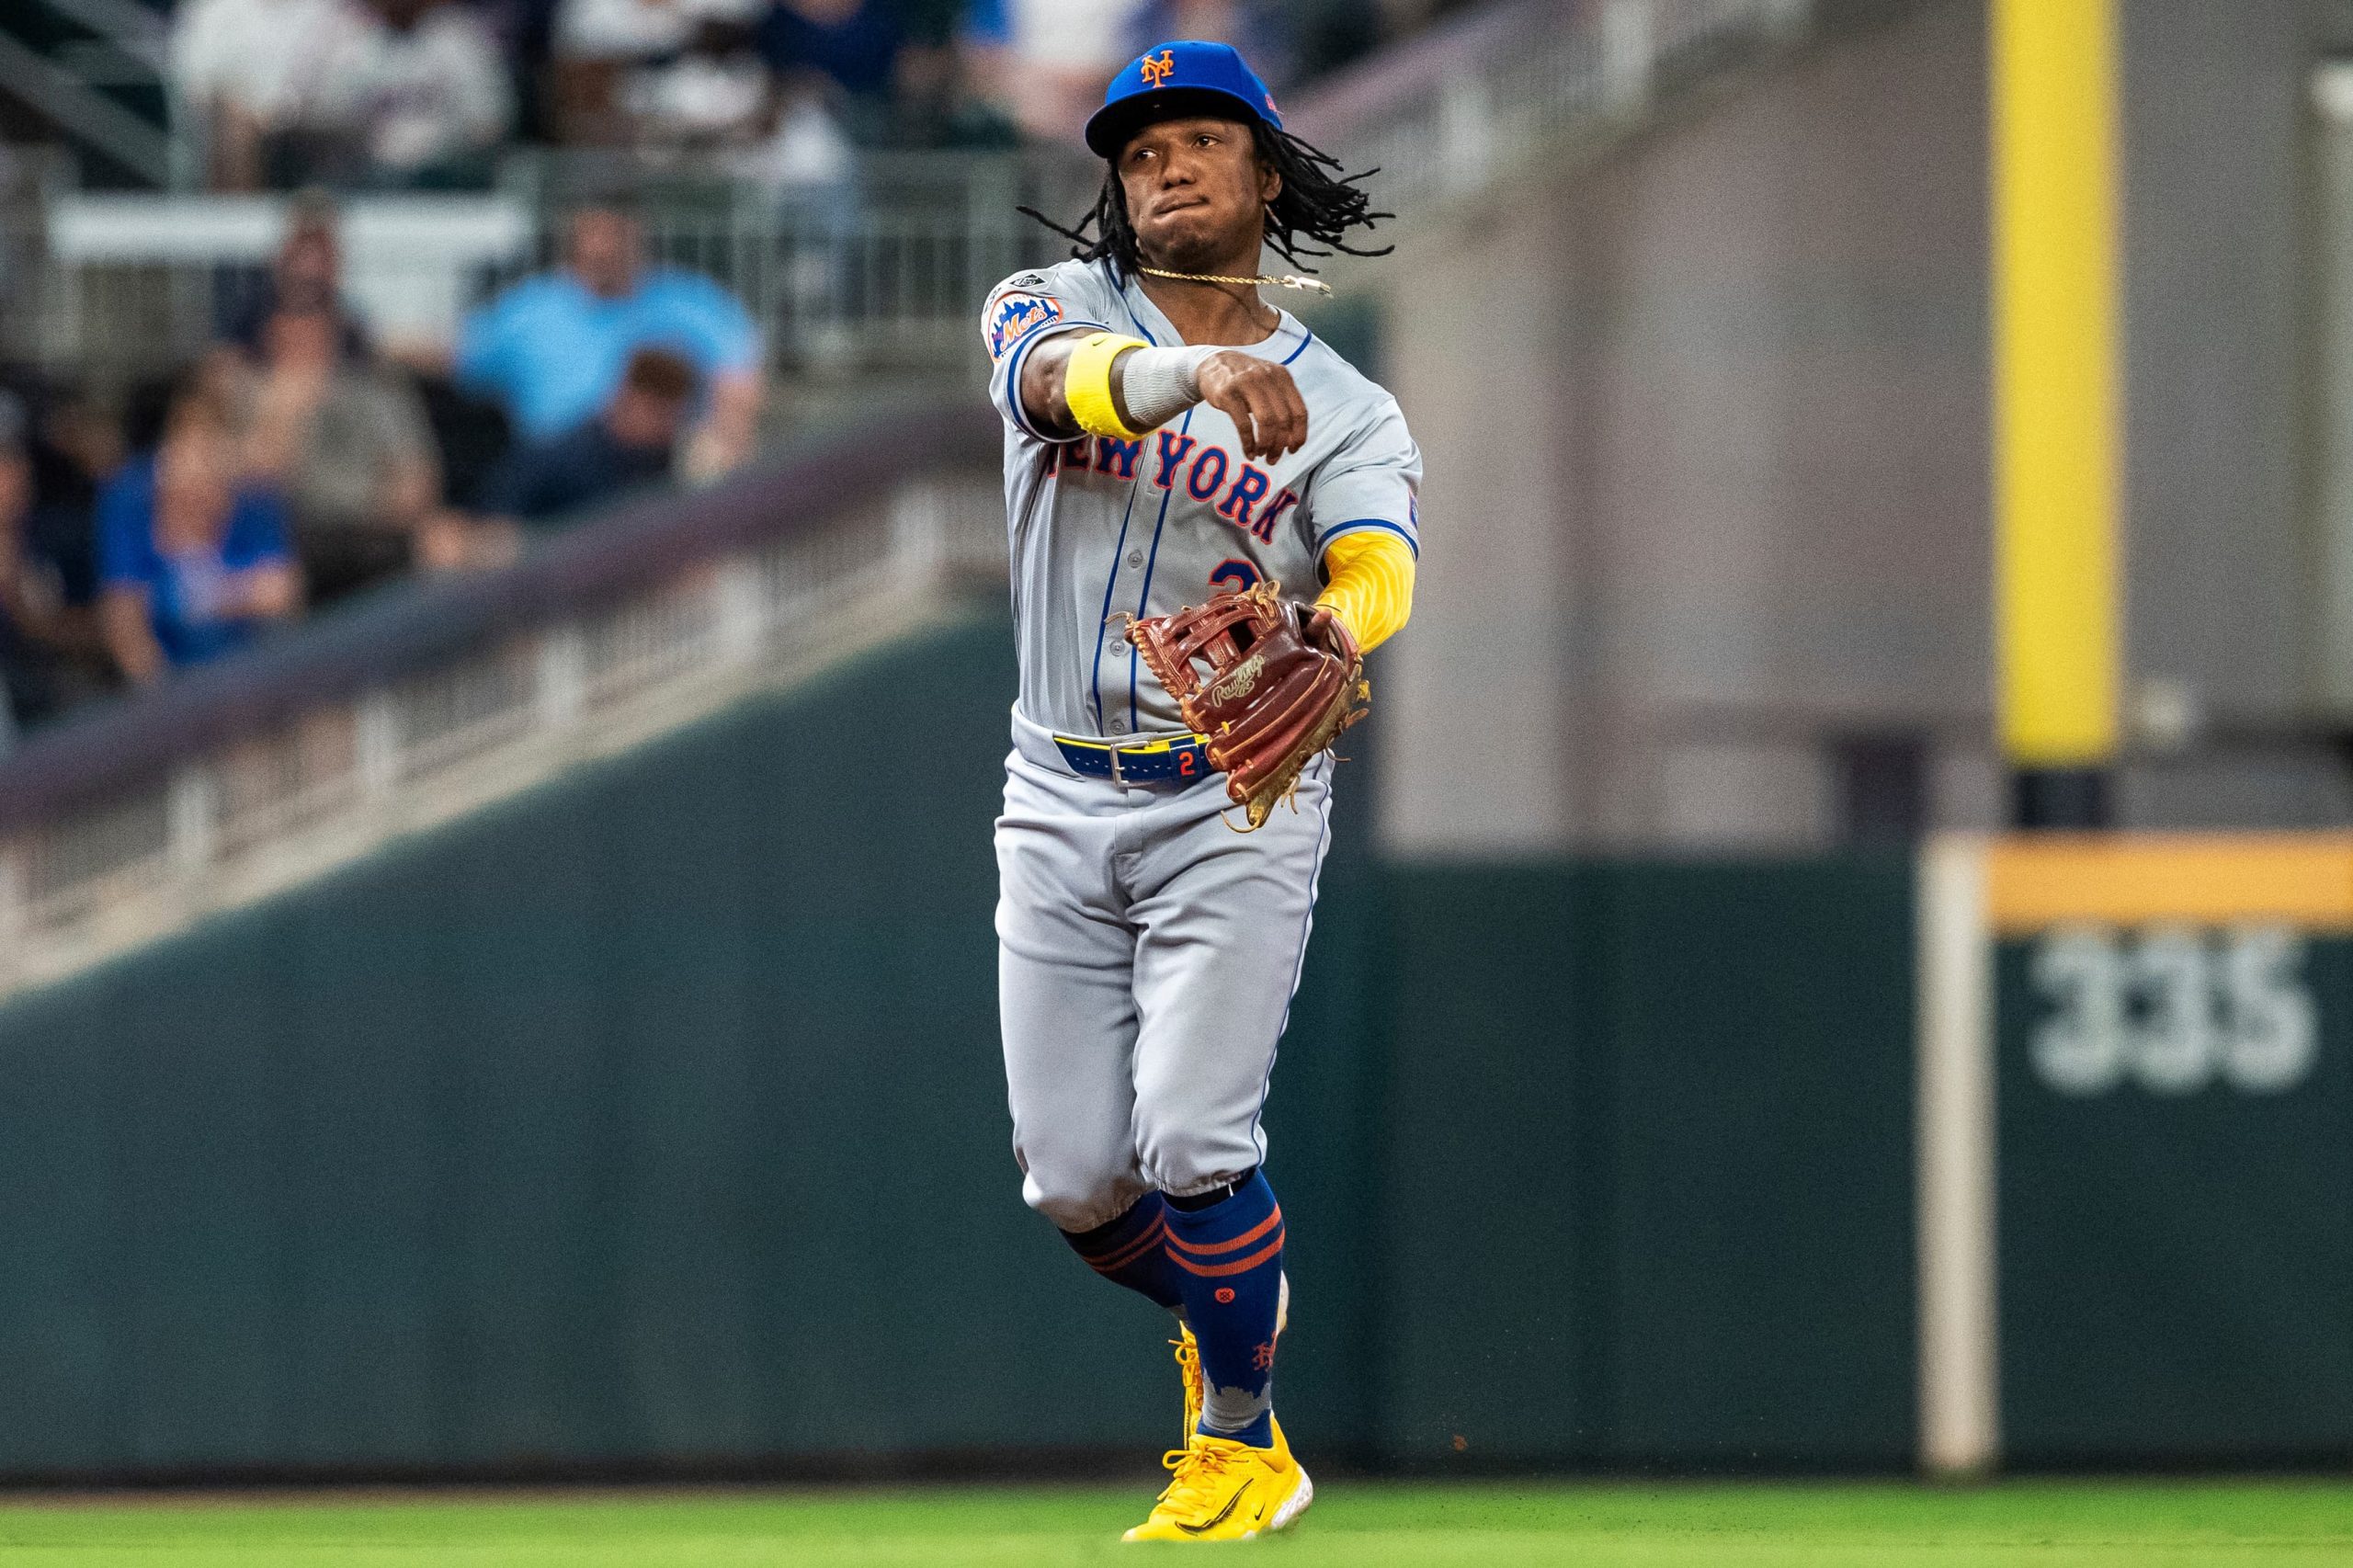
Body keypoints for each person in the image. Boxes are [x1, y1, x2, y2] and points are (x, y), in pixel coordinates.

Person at [983, 40, 1417, 1542]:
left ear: (1268, 171)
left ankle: (1240, 1439)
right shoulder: (1040, 304)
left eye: (1201, 140)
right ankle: (1238, 1311)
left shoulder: (1349, 405)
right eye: (1140, 150)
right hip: (1055, 787)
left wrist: (1336, 627)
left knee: (1191, 1142)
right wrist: (1197, 374)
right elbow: (1055, 388)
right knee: (1074, 1179)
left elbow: (1379, 557)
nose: (1164, 164)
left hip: (1235, 795)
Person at [455, 203, 764, 481]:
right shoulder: (530, 308)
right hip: (553, 470)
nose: (604, 248)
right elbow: (462, 360)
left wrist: (724, 442)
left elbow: (737, 381)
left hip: (656, 465)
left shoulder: (689, 303)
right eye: (594, 235)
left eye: (615, 234)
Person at [243, 304, 462, 604]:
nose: (306, 353)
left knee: (447, 548)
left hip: (374, 538)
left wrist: (375, 512)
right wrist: (286, 416)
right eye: (292, 341)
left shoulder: (374, 394)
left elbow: (416, 487)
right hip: (294, 546)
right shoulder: (249, 396)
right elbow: (254, 488)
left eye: (314, 339)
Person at [97, 384, 302, 683]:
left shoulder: (253, 496)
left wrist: (211, 596)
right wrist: (163, 691)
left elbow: (280, 593)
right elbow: (124, 619)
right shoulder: (129, 499)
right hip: (172, 683)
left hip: (251, 671)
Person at [478, 346, 697, 525]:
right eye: (660, 415)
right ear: (630, 400)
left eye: (674, 418)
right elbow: (494, 528)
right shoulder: (553, 458)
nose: (668, 428)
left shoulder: (669, 465)